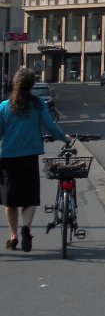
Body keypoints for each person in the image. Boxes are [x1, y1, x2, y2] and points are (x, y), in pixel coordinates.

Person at [0, 66, 68, 253]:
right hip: (29, 157)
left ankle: (13, 235)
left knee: (10, 200)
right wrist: (64, 138)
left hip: (7, 157)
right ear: (31, 85)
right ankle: (26, 228)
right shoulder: (38, 104)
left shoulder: (4, 106)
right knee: (29, 198)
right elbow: (50, 126)